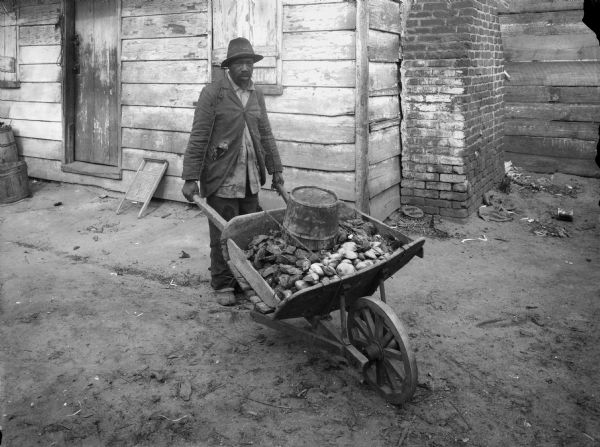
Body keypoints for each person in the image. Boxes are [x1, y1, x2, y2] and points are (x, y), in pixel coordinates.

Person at [181, 37, 284, 305]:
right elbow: (199, 136)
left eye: (249, 63)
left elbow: (265, 134)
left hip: (250, 177)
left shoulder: (256, 94)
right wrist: (190, 177)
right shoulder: (213, 93)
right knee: (223, 234)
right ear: (229, 67)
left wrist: (276, 170)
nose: (245, 68)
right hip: (221, 176)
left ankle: (246, 279)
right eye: (239, 63)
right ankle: (223, 283)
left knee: (249, 234)